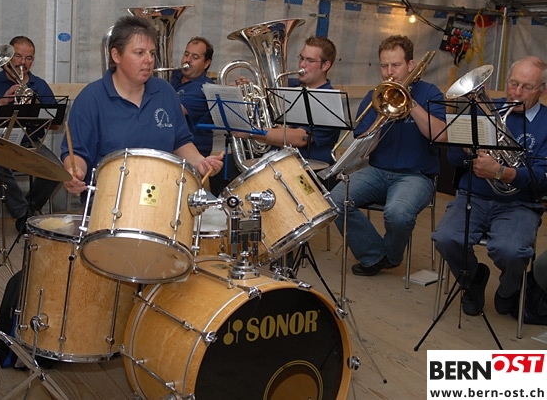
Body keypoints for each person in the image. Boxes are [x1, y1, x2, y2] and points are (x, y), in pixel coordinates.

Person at [433, 56, 547, 316]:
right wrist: (467, 149)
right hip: (473, 196)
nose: (516, 92)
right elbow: (453, 159)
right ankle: (472, 280)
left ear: (542, 90)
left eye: (527, 87)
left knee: (511, 251)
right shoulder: (484, 109)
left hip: (520, 204)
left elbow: (543, 179)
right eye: (513, 83)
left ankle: (509, 289)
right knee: (445, 238)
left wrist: (504, 173)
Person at [61, 16, 223, 199]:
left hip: (160, 197)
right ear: (116, 55)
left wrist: (200, 162)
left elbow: (180, 141)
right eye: (139, 53)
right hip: (108, 201)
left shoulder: (165, 92)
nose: (149, 60)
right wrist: (74, 173)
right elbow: (77, 153)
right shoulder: (91, 98)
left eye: (152, 53)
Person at [330, 35, 446, 276]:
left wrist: (410, 104)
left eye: (396, 65)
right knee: (335, 200)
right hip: (377, 170)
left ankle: (391, 256)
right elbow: (363, 151)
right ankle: (374, 255)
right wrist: (382, 116)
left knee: (398, 214)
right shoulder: (376, 96)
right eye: (384, 66)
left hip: (417, 175)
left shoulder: (430, 93)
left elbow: (440, 135)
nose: (389, 72)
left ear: (411, 65)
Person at [0, 36, 61, 232]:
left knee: (56, 170)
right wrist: (3, 102)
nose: (22, 62)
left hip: (28, 143)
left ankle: (29, 209)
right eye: (18, 56)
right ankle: (23, 215)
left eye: (29, 58)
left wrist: (35, 106)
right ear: (8, 57)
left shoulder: (39, 85)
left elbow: (54, 124)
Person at [234, 36, 341, 167]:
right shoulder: (286, 85)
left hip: (308, 168)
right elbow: (262, 118)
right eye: (301, 58)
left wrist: (252, 132)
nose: (302, 65)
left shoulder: (329, 100)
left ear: (325, 65)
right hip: (274, 160)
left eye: (310, 61)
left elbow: (300, 138)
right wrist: (246, 94)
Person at [169, 36, 225, 195]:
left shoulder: (205, 88)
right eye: (186, 54)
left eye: (195, 57)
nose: (188, 60)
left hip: (191, 156)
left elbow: (173, 111)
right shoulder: (174, 76)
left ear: (206, 63)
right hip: (170, 149)